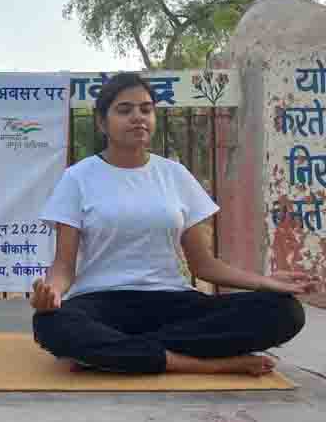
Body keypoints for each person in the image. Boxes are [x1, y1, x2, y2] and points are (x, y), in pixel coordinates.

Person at [31, 72, 322, 376]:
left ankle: (113, 353)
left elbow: (204, 266)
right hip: (101, 304)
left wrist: (267, 283)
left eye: (146, 109)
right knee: (51, 323)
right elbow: (64, 268)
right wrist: (51, 293)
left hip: (172, 301)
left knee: (284, 311)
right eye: (124, 110)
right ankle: (202, 363)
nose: (138, 117)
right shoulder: (77, 178)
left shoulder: (175, 174)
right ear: (102, 123)